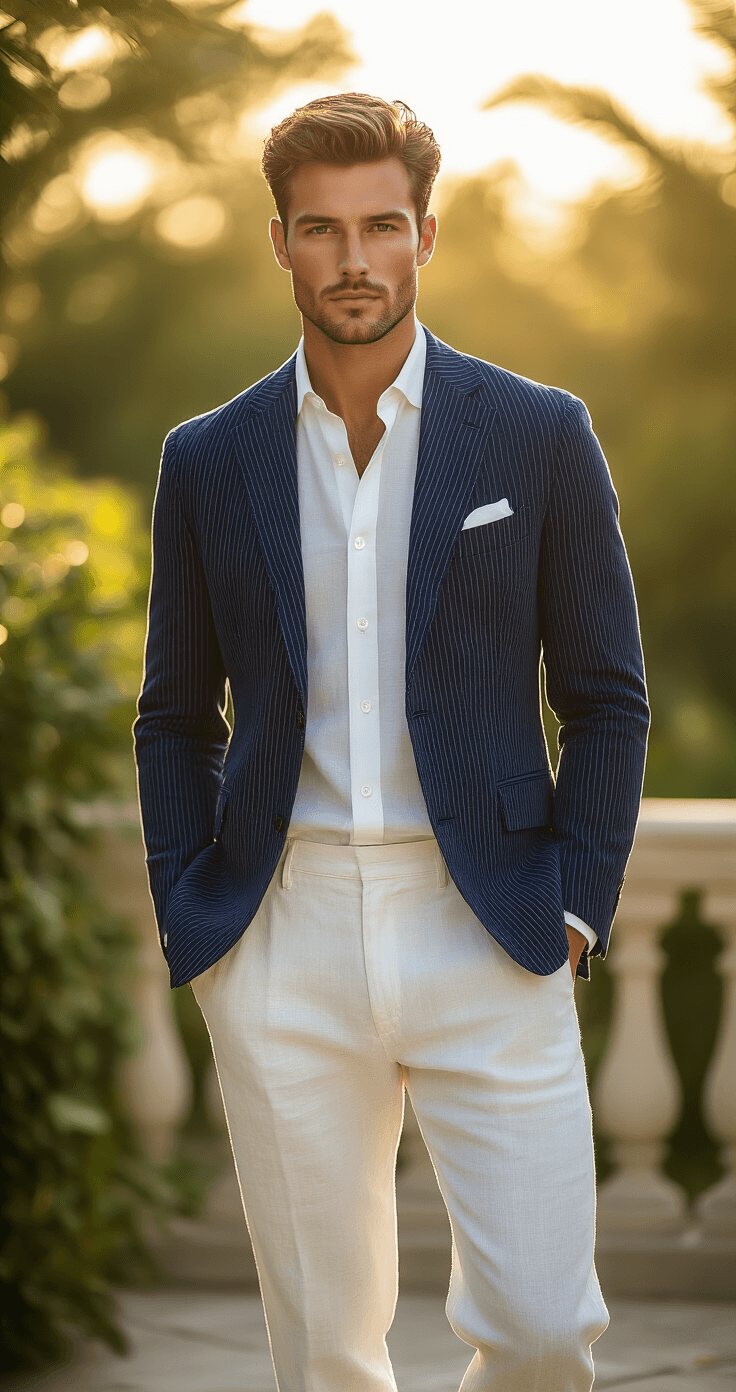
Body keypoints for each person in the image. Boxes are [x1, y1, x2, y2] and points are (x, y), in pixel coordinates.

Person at [134, 93, 649, 1392]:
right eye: (322, 230)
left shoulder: (538, 433)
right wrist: (196, 922)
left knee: (542, 1334)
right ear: (280, 243)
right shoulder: (208, 460)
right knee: (323, 1355)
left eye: (380, 227)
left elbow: (607, 697)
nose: (353, 260)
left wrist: (577, 906)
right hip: (283, 928)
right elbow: (175, 715)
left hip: (488, 921)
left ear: (427, 233)